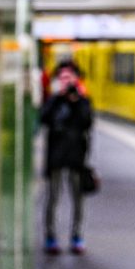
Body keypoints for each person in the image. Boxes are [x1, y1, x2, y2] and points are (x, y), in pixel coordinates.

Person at [39, 61, 94, 255]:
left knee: (77, 199)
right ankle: (50, 236)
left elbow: (87, 122)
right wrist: (57, 97)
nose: (66, 81)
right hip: (55, 158)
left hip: (76, 158)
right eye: (62, 78)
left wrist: (78, 98)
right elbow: (43, 118)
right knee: (53, 197)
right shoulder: (54, 101)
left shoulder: (83, 101)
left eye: (69, 77)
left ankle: (77, 236)